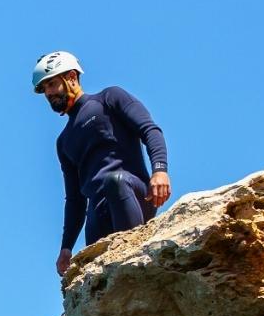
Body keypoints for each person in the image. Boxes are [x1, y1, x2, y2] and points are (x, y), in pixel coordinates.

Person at [33, 51, 173, 276]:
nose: (49, 93)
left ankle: (136, 258)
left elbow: (150, 130)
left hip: (133, 193)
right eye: (44, 90)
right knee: (97, 271)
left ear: (71, 77)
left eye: (51, 84)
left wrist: (160, 170)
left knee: (113, 181)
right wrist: (66, 247)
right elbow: (75, 199)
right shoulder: (64, 141)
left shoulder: (109, 98)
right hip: (99, 210)